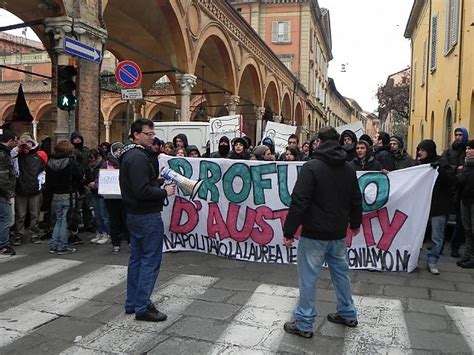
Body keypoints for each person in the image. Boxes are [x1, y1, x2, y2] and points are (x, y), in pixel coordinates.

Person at [282, 126, 362, 338]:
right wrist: (355, 223)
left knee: (308, 277)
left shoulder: (312, 167)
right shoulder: (348, 169)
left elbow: (299, 201)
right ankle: (348, 312)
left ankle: (304, 323)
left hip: (314, 233)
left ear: (319, 142)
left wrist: (289, 231)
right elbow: (356, 199)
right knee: (341, 274)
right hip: (337, 233)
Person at [119, 118, 176, 322]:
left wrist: (157, 180)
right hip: (146, 215)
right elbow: (141, 190)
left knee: (136, 259)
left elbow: (139, 184)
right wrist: (164, 191)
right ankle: (143, 306)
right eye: (148, 134)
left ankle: (133, 302)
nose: (152, 138)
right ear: (135, 134)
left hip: (135, 214)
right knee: (150, 260)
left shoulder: (130, 154)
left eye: (153, 134)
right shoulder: (138, 157)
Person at [416, 139, 454, 275]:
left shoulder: (442, 162)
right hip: (422, 206)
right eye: (419, 150)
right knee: (417, 234)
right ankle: (413, 258)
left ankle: (432, 261)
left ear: (429, 150)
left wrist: (439, 170)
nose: (420, 153)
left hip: (438, 206)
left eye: (422, 150)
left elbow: (450, 181)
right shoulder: (419, 164)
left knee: (437, 237)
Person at [44, 140, 83, 255]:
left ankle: (54, 244)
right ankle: (62, 246)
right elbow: (79, 176)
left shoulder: (50, 162)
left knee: (59, 220)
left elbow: (48, 182)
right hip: (68, 194)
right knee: (66, 221)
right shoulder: (70, 162)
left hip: (55, 194)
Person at [13, 134, 45, 245]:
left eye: (28, 142)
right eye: (24, 142)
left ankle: (35, 234)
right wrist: (19, 147)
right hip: (21, 188)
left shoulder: (39, 155)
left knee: (34, 214)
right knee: (20, 215)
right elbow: (11, 156)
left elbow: (43, 171)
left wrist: (40, 184)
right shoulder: (17, 155)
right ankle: (19, 234)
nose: (27, 145)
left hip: (34, 188)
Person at [443, 127, 469, 258]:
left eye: (460, 135)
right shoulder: (448, 151)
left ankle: (455, 246)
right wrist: (456, 168)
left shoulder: (468, 151)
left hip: (462, 190)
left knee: (460, 220)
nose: (458, 137)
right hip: (449, 188)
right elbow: (444, 165)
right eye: (456, 135)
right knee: (443, 218)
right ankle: (440, 244)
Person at [103, 142, 129, 254]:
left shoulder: (126, 162)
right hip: (111, 197)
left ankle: (130, 242)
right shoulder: (107, 163)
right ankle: (116, 243)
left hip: (124, 197)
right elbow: (100, 177)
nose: (119, 152)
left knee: (127, 220)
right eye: (117, 150)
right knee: (114, 221)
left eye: (121, 150)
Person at [456, 140, 474, 269]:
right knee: (467, 229)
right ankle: (468, 255)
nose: (467, 151)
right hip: (465, 199)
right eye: (467, 148)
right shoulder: (466, 164)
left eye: (470, 148)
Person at [0, 130, 17, 256]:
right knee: (6, 218)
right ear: (9, 141)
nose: (16, 143)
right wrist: (8, 192)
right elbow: (3, 177)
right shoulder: (2, 154)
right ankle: (3, 245)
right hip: (2, 192)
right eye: (14, 140)